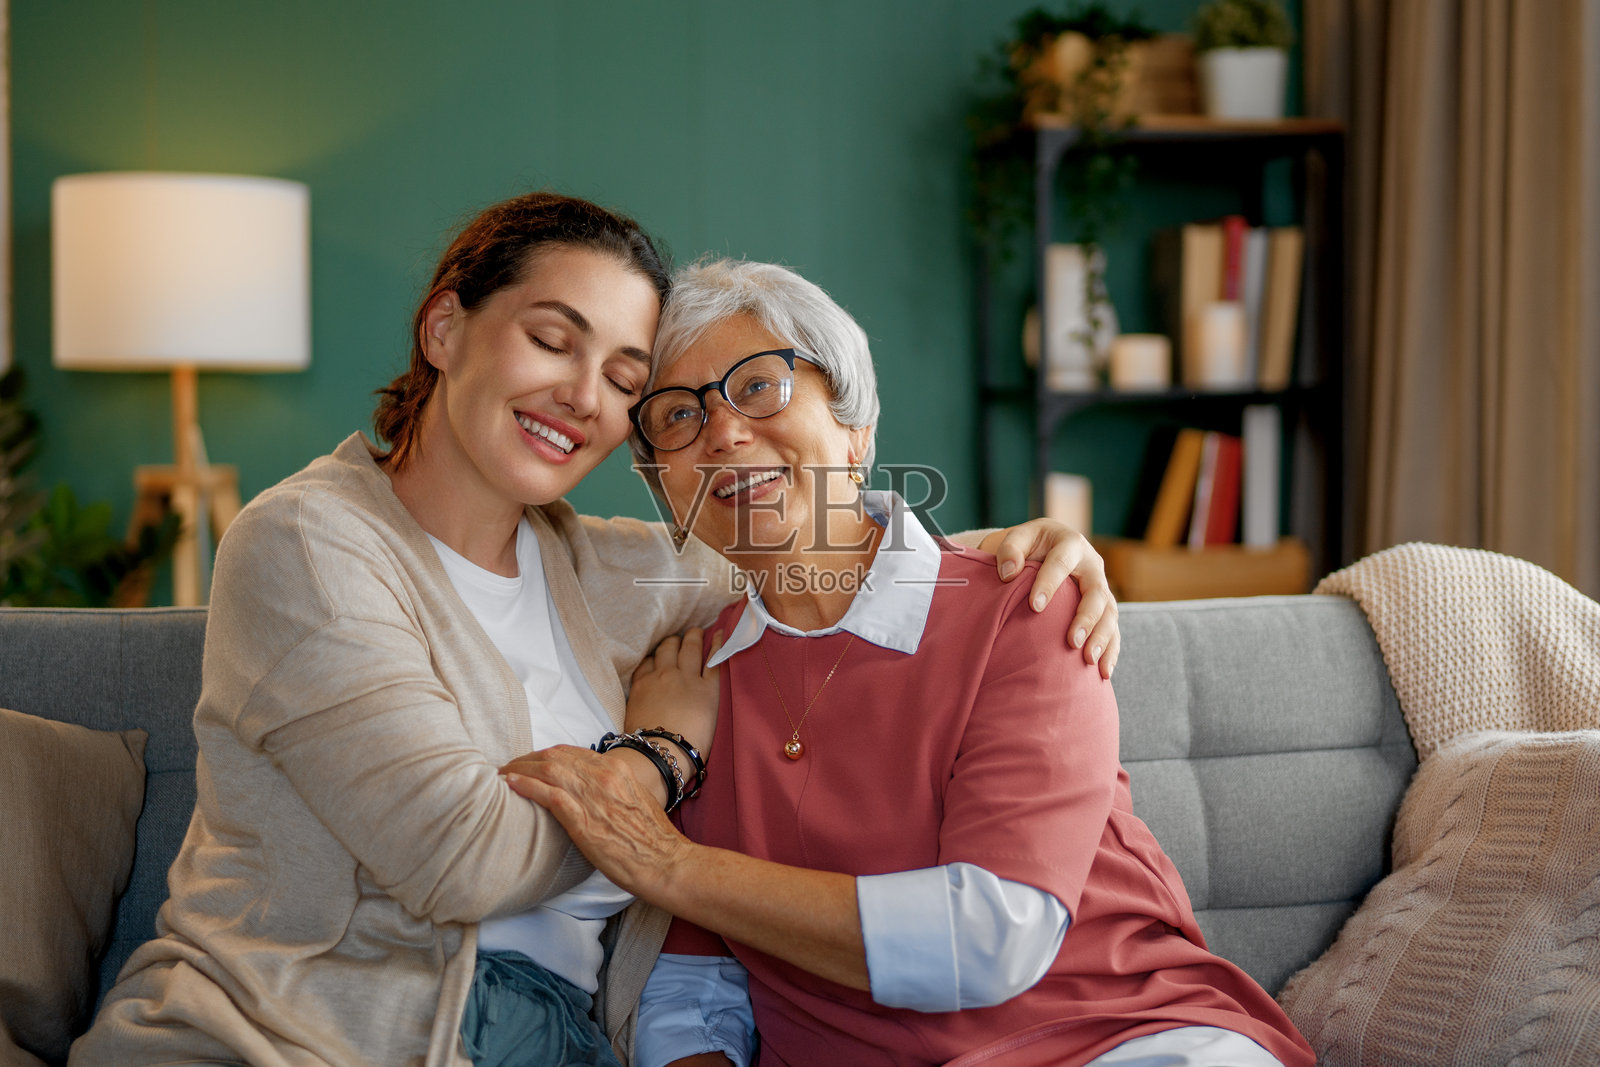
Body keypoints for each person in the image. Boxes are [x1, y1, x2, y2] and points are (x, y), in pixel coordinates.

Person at [71, 193, 1119, 1067]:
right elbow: (464, 860)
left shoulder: (609, 567)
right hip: (315, 1026)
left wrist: (1012, 553)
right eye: (551, 339)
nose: (582, 396)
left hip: (564, 1033)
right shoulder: (307, 543)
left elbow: (812, 542)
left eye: (623, 379)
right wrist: (659, 755)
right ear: (444, 330)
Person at [503, 258, 1317, 1067]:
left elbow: (992, 935)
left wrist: (668, 863)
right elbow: (692, 994)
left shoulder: (1025, 608)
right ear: (665, 488)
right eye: (678, 415)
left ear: (855, 430)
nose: (722, 432)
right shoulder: (690, 678)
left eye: (759, 386)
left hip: (1122, 1039)